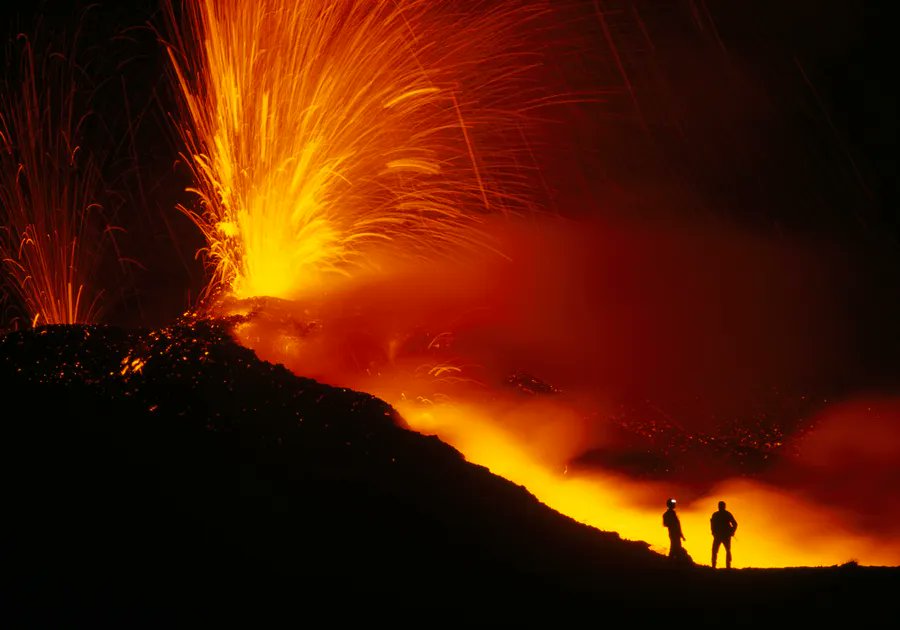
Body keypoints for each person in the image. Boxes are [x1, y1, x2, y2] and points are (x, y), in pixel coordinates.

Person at [710, 500, 738, 568]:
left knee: (718, 551)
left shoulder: (716, 514)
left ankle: (715, 566)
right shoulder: (725, 514)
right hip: (723, 535)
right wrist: (732, 531)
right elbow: (712, 524)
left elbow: (712, 524)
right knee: (720, 550)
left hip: (722, 535)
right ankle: (726, 566)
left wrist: (732, 531)